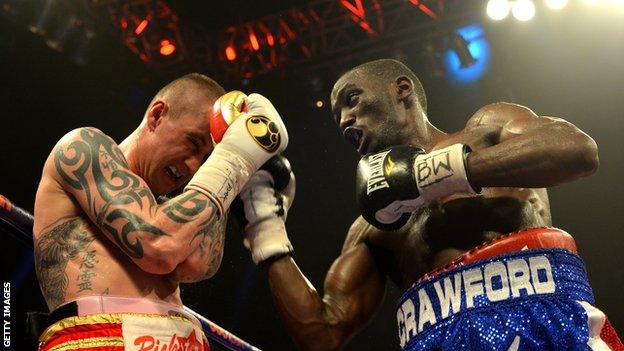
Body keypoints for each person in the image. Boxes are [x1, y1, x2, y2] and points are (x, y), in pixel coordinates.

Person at [236, 59, 623, 350]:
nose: (344, 118)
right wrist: (265, 228)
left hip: (543, 322)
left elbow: (577, 150)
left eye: (352, 100)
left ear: (400, 89)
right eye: (337, 114)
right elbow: (323, 331)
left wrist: (432, 173)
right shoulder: (373, 227)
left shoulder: (488, 129)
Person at [32, 73, 290, 351]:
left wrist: (230, 164)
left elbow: (199, 265)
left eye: (206, 159)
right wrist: (233, 158)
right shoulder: (85, 147)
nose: (194, 166)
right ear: (157, 115)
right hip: (101, 338)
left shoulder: (166, 208)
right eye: (193, 142)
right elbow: (156, 244)